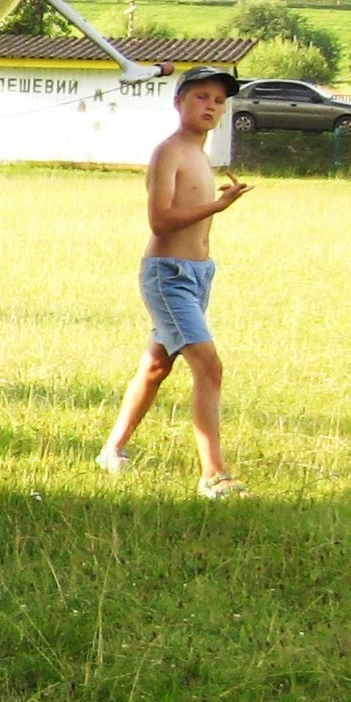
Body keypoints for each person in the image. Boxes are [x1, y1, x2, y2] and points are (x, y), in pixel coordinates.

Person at [96, 65, 247, 498]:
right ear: (178, 101)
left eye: (219, 101)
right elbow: (160, 221)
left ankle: (112, 450)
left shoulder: (201, 155)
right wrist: (217, 206)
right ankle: (213, 476)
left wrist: (219, 203)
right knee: (208, 366)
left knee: (157, 366)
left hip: (198, 275)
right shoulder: (170, 152)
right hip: (168, 274)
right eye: (201, 96)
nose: (211, 106)